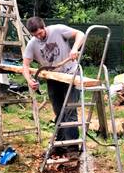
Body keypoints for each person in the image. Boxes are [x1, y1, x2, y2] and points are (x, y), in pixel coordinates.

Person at [21, 17, 86, 157]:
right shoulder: (33, 44)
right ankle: (60, 146)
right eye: (35, 35)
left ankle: (73, 149)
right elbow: (25, 65)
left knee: (70, 111)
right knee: (59, 112)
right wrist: (29, 80)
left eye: (40, 33)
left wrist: (74, 48)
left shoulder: (57, 29)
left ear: (44, 26)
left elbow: (81, 34)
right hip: (53, 78)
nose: (39, 36)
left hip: (70, 75)